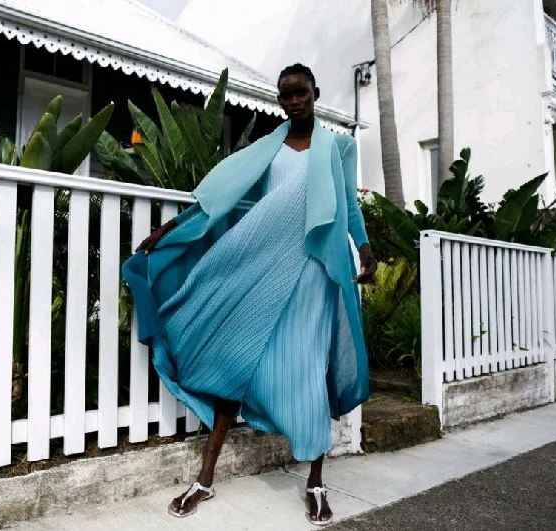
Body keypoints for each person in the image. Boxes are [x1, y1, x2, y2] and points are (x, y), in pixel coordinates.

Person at [122, 63, 376, 526]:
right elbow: (220, 197)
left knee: (312, 368)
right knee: (232, 361)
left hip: (314, 273)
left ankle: (316, 483)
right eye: (286, 95)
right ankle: (205, 479)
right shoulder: (267, 148)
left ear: (315, 93)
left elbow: (349, 206)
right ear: (280, 100)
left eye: (301, 93)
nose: (293, 101)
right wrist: (170, 228)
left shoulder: (339, 147)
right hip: (262, 266)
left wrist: (364, 248)